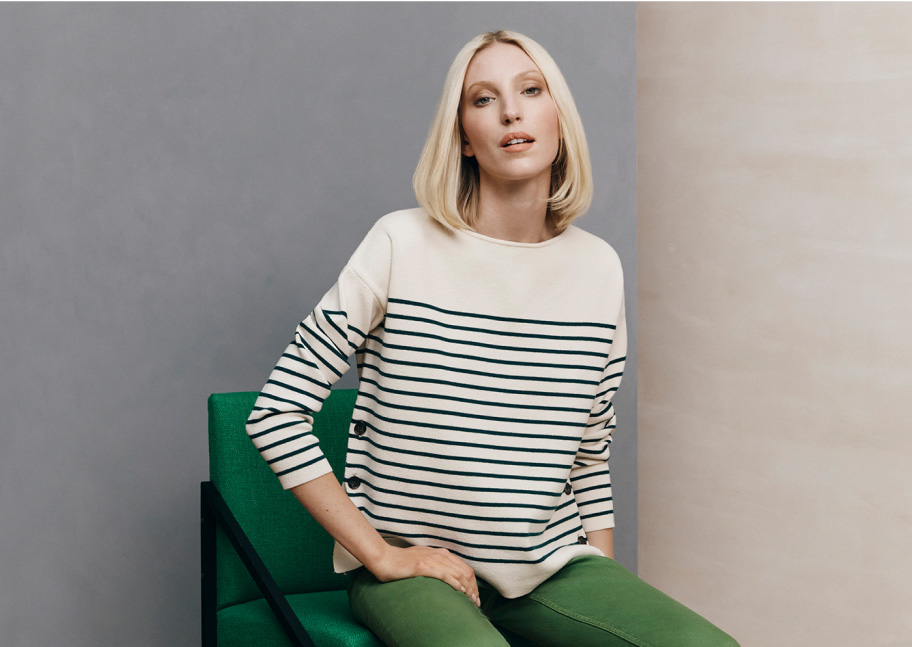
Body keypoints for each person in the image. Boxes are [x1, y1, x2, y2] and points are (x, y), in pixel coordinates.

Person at [247, 30, 739, 647]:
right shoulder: (400, 244)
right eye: (483, 99)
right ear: (462, 137)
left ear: (558, 115)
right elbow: (276, 414)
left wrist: (606, 578)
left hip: (550, 570)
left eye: (531, 91)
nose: (511, 111)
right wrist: (380, 556)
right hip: (415, 571)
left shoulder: (598, 268)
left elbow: (589, 453)